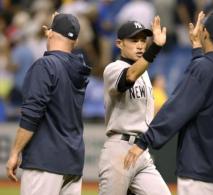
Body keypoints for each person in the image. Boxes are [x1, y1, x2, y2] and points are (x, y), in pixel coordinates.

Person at [124, 11, 213, 195]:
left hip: (201, 169)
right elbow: (209, 77)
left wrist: (145, 141)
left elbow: (177, 109)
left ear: (205, 33)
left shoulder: (203, 69)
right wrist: (197, 49)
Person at [6, 13, 91, 195]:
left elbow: (31, 115)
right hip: (73, 162)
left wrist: (15, 153)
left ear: (49, 32)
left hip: (45, 161)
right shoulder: (79, 67)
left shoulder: (45, 65)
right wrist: (61, 25)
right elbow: (71, 47)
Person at [98, 17, 171, 195]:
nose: (140, 45)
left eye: (143, 40)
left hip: (141, 150)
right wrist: (155, 48)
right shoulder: (113, 68)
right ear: (119, 43)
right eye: (133, 40)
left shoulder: (145, 74)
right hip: (119, 149)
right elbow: (129, 76)